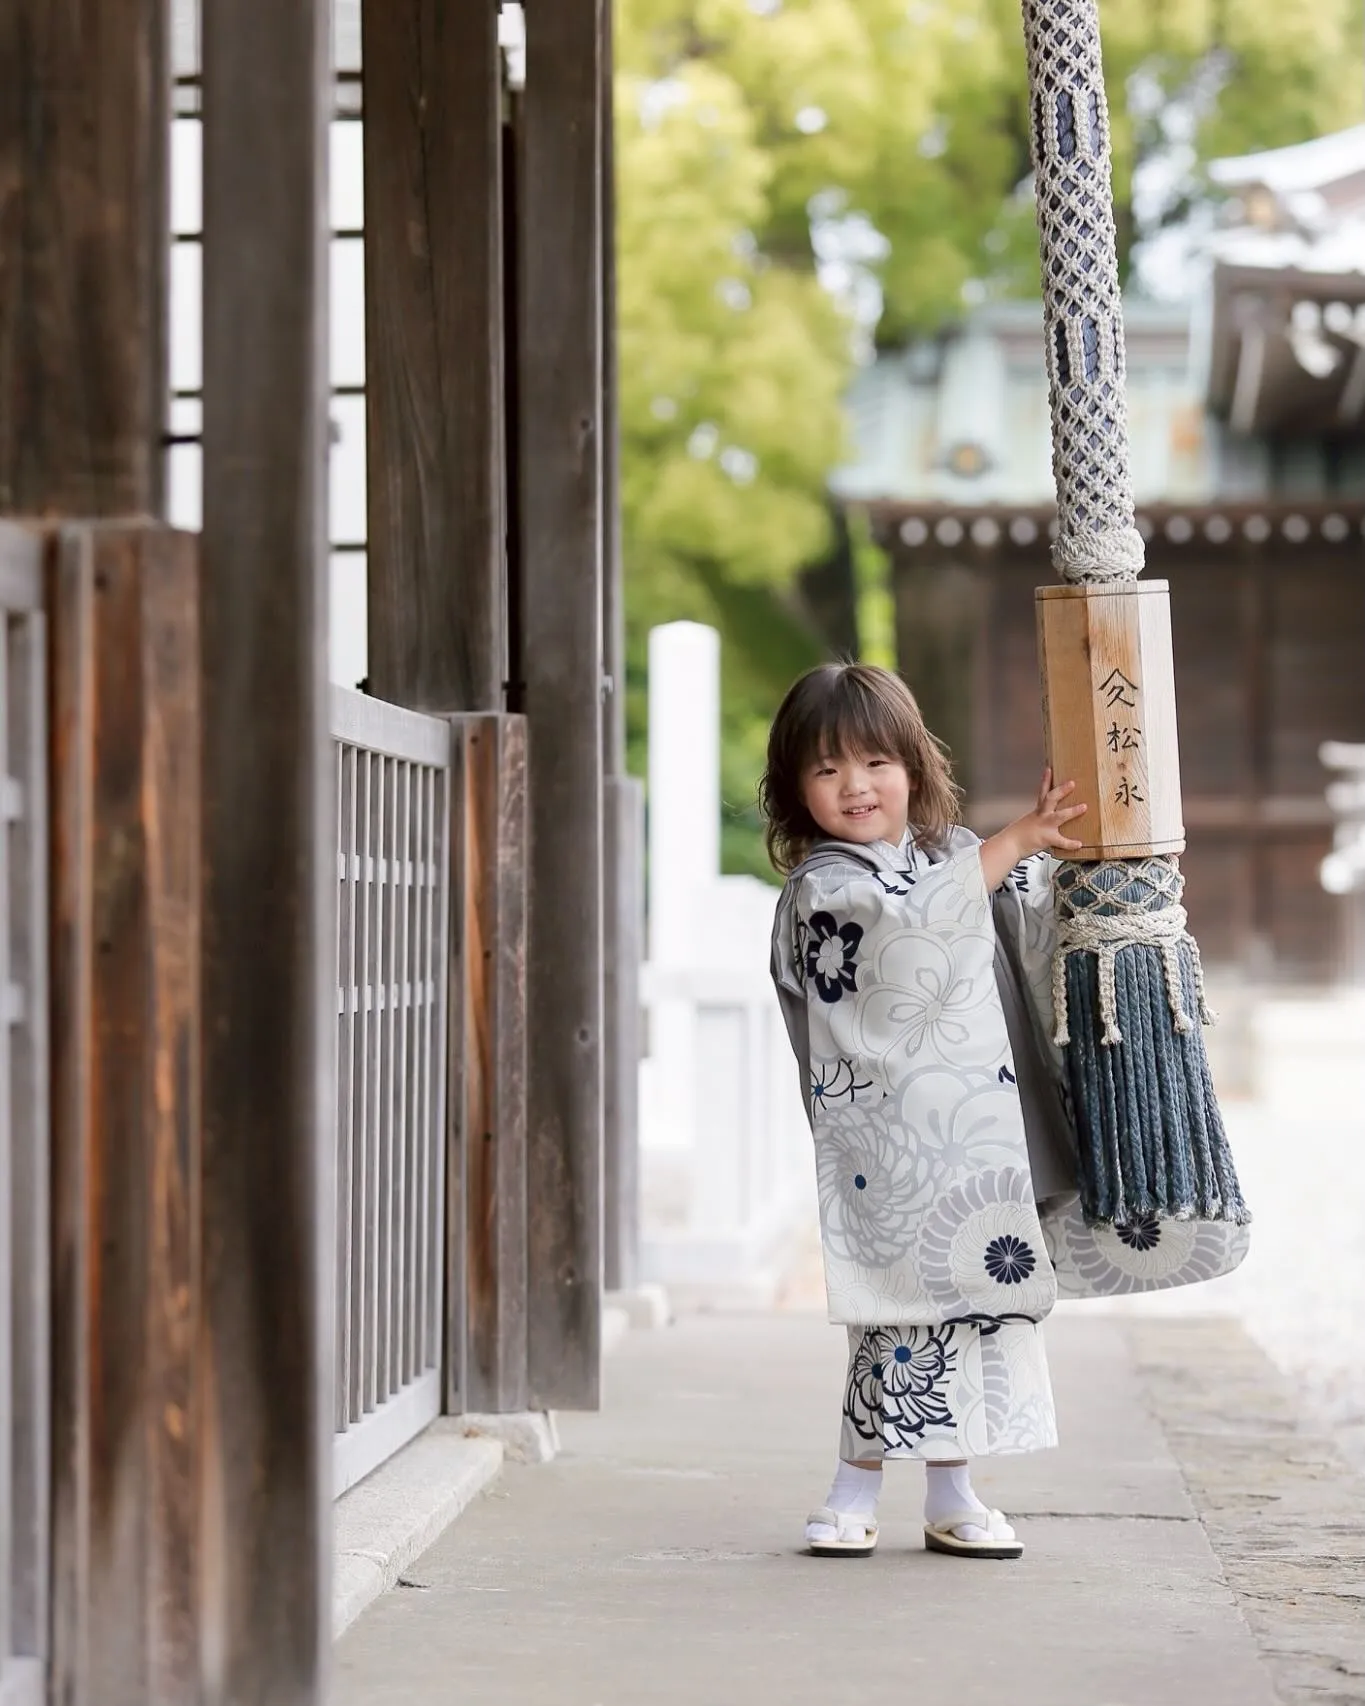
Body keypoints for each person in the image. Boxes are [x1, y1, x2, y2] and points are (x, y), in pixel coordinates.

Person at [761, 660, 1247, 1562]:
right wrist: (1013, 842)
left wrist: (1112, 871)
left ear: (913, 765)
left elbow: (1027, 921)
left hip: (982, 1136)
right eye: (825, 771)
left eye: (874, 762)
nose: (855, 787)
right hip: (896, 1142)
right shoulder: (826, 887)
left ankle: (952, 1493)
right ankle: (850, 1489)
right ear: (796, 790)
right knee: (900, 1312)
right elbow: (901, 931)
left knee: (981, 1307)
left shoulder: (945, 859)